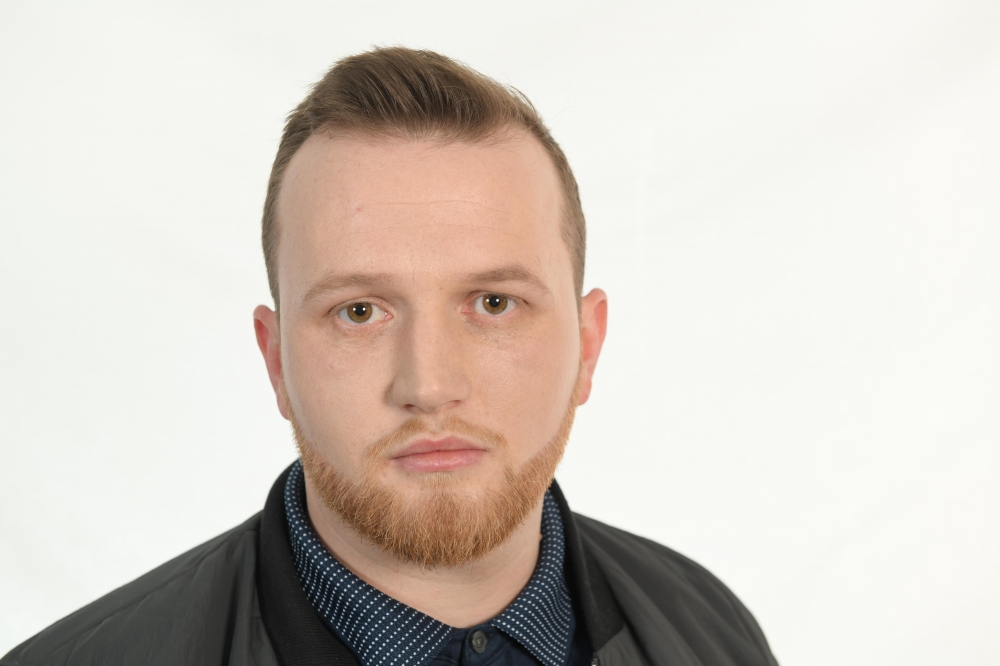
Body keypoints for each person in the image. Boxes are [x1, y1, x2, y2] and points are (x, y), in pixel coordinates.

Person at [2, 48, 778, 666]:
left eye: (494, 303)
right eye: (360, 312)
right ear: (276, 362)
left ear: (588, 345)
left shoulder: (712, 631)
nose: (430, 385)